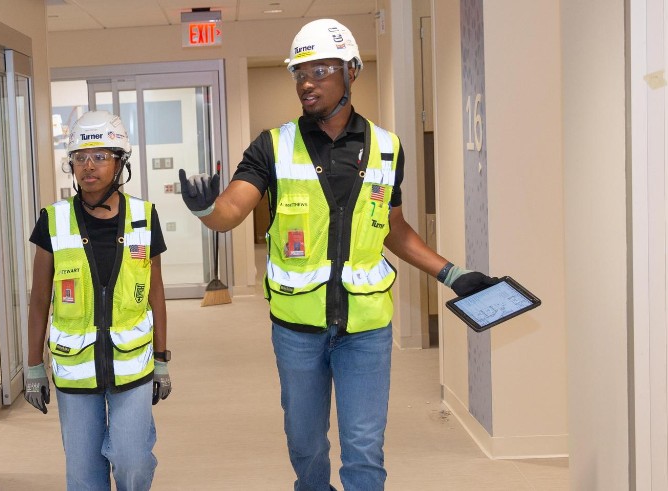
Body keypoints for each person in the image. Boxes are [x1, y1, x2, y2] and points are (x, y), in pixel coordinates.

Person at [178, 19, 499, 491]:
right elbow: (233, 210)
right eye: (299, 73)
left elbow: (393, 229)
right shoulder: (273, 146)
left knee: (364, 449)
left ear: (352, 71)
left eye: (320, 70)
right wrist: (207, 208)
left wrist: (452, 274)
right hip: (297, 329)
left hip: (366, 329)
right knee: (305, 444)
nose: (306, 83)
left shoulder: (387, 148)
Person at [23, 110, 172, 491]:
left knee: (132, 461)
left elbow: (156, 292)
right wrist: (33, 367)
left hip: (132, 363)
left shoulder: (144, 216)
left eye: (101, 157)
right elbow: (40, 299)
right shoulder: (53, 222)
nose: (88, 166)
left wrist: (161, 359)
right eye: (80, 157)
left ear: (121, 162)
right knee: (84, 477)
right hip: (75, 370)